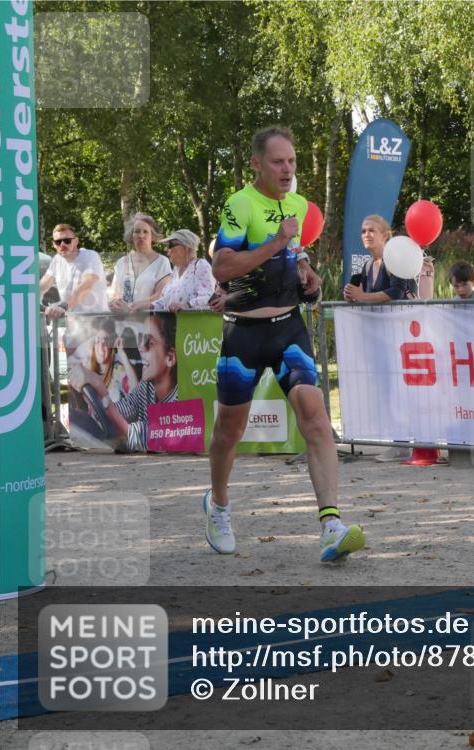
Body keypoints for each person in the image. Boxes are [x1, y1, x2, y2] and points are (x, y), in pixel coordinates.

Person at [209, 125, 363, 562]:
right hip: (244, 333)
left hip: (288, 329)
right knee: (228, 433)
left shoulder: (297, 204)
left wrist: (306, 269)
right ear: (257, 164)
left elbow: (293, 250)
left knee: (315, 415)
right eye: (278, 162)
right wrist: (276, 241)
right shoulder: (240, 205)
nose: (287, 169)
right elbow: (222, 266)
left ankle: (331, 525)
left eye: (292, 161)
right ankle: (218, 505)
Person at [70, 313, 178, 452]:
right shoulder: (146, 387)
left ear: (170, 357)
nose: (140, 347)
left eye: (149, 342)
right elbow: (121, 410)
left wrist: (101, 390)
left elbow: (142, 438)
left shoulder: (179, 399)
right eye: (140, 340)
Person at [40, 224, 109, 318]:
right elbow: (43, 285)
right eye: (58, 242)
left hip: (97, 323)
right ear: (53, 244)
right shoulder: (57, 260)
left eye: (67, 241)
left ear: (76, 241)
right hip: (74, 323)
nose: (62, 244)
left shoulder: (89, 256)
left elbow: (87, 284)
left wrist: (64, 305)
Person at [109, 213, 172, 314]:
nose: (141, 236)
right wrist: (114, 303)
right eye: (137, 231)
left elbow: (161, 295)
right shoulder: (121, 263)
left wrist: (130, 308)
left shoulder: (162, 262)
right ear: (131, 236)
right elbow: (114, 294)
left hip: (148, 324)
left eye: (145, 232)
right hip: (121, 324)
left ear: (152, 236)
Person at [343, 215, 415, 302]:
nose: (366, 235)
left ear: (384, 236)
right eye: (363, 231)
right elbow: (364, 294)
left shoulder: (394, 259)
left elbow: (397, 291)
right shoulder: (368, 265)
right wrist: (352, 295)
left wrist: (362, 296)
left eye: (371, 230)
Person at [152, 229, 216, 312]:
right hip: (173, 323)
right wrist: (142, 305)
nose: (167, 249)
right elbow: (164, 301)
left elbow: (208, 297)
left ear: (186, 248)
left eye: (171, 245)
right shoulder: (175, 271)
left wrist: (187, 305)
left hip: (194, 323)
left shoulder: (200, 265)